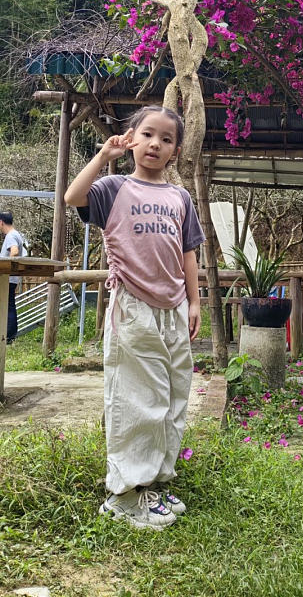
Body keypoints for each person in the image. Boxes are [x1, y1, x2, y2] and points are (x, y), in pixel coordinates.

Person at [64, 105, 204, 531]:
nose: (155, 145)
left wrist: (194, 303)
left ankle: (156, 483)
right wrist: (102, 157)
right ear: (131, 139)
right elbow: (73, 197)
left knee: (173, 398)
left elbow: (188, 252)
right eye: (147, 135)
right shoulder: (113, 187)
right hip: (134, 307)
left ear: (176, 150)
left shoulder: (180, 198)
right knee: (135, 397)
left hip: (174, 308)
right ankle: (125, 494)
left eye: (166, 139)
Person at [0, 211, 25, 343]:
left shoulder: (11, 236)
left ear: (1, 222)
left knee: (8, 306)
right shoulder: (16, 234)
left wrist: (8, 267)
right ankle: (10, 335)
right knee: (9, 305)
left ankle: (9, 335)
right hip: (12, 277)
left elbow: (14, 251)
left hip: (8, 277)